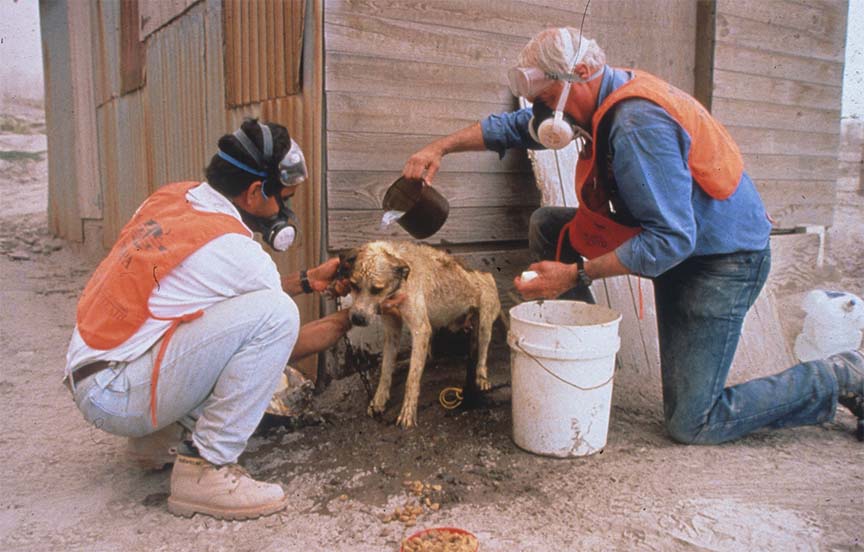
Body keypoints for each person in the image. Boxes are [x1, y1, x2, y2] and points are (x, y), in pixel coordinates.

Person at [402, 27, 863, 444]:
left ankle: (841, 375)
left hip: (720, 259)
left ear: (581, 73)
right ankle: (584, 357)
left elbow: (671, 241)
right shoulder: (589, 101)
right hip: (678, 238)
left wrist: (574, 273)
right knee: (549, 225)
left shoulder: (637, 124)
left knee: (693, 421)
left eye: (545, 96)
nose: (541, 110)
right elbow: (513, 128)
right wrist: (438, 147)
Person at [64, 119, 358, 521]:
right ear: (255, 192)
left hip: (93, 372)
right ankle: (206, 470)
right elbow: (272, 335)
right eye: (283, 198)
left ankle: (155, 438)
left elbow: (219, 294)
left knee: (204, 315)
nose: (284, 211)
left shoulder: (173, 198)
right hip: (118, 396)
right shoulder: (237, 249)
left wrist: (307, 281)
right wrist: (347, 321)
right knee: (278, 316)